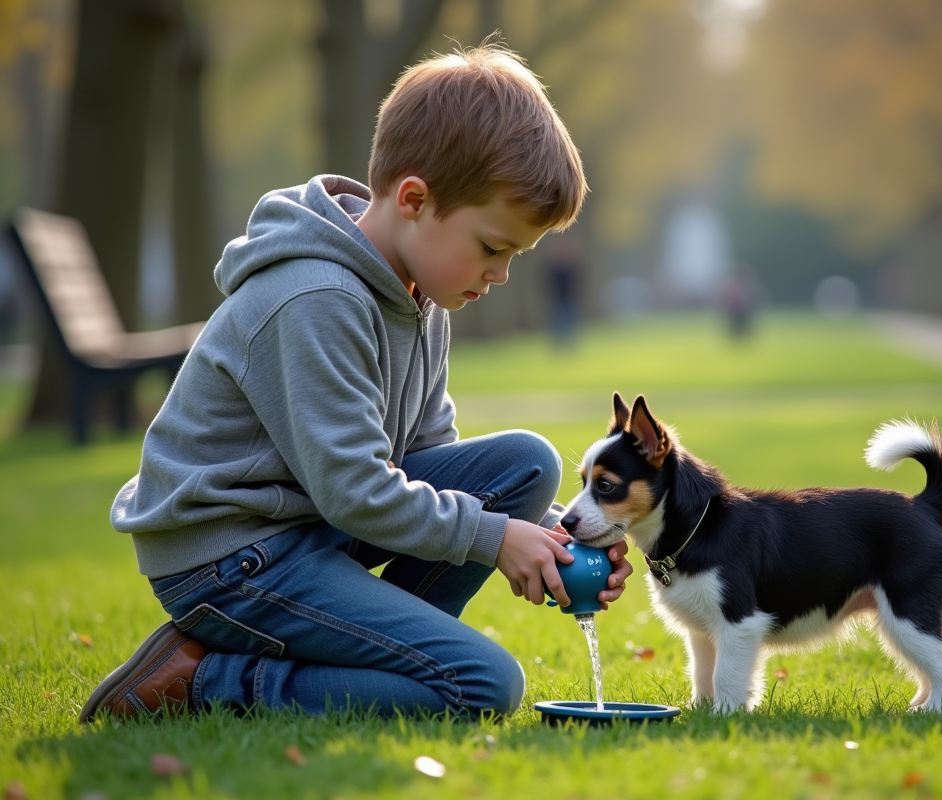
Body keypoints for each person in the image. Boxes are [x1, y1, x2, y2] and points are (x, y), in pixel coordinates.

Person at [79, 42, 633, 723]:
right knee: (482, 686)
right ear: (414, 199)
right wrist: (494, 538)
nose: (501, 274)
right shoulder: (317, 296)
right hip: (233, 557)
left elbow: (430, 461)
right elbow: (354, 489)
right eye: (492, 247)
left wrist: (553, 539)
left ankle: (377, 653)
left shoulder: (422, 294)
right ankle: (203, 680)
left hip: (313, 526)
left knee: (527, 466)